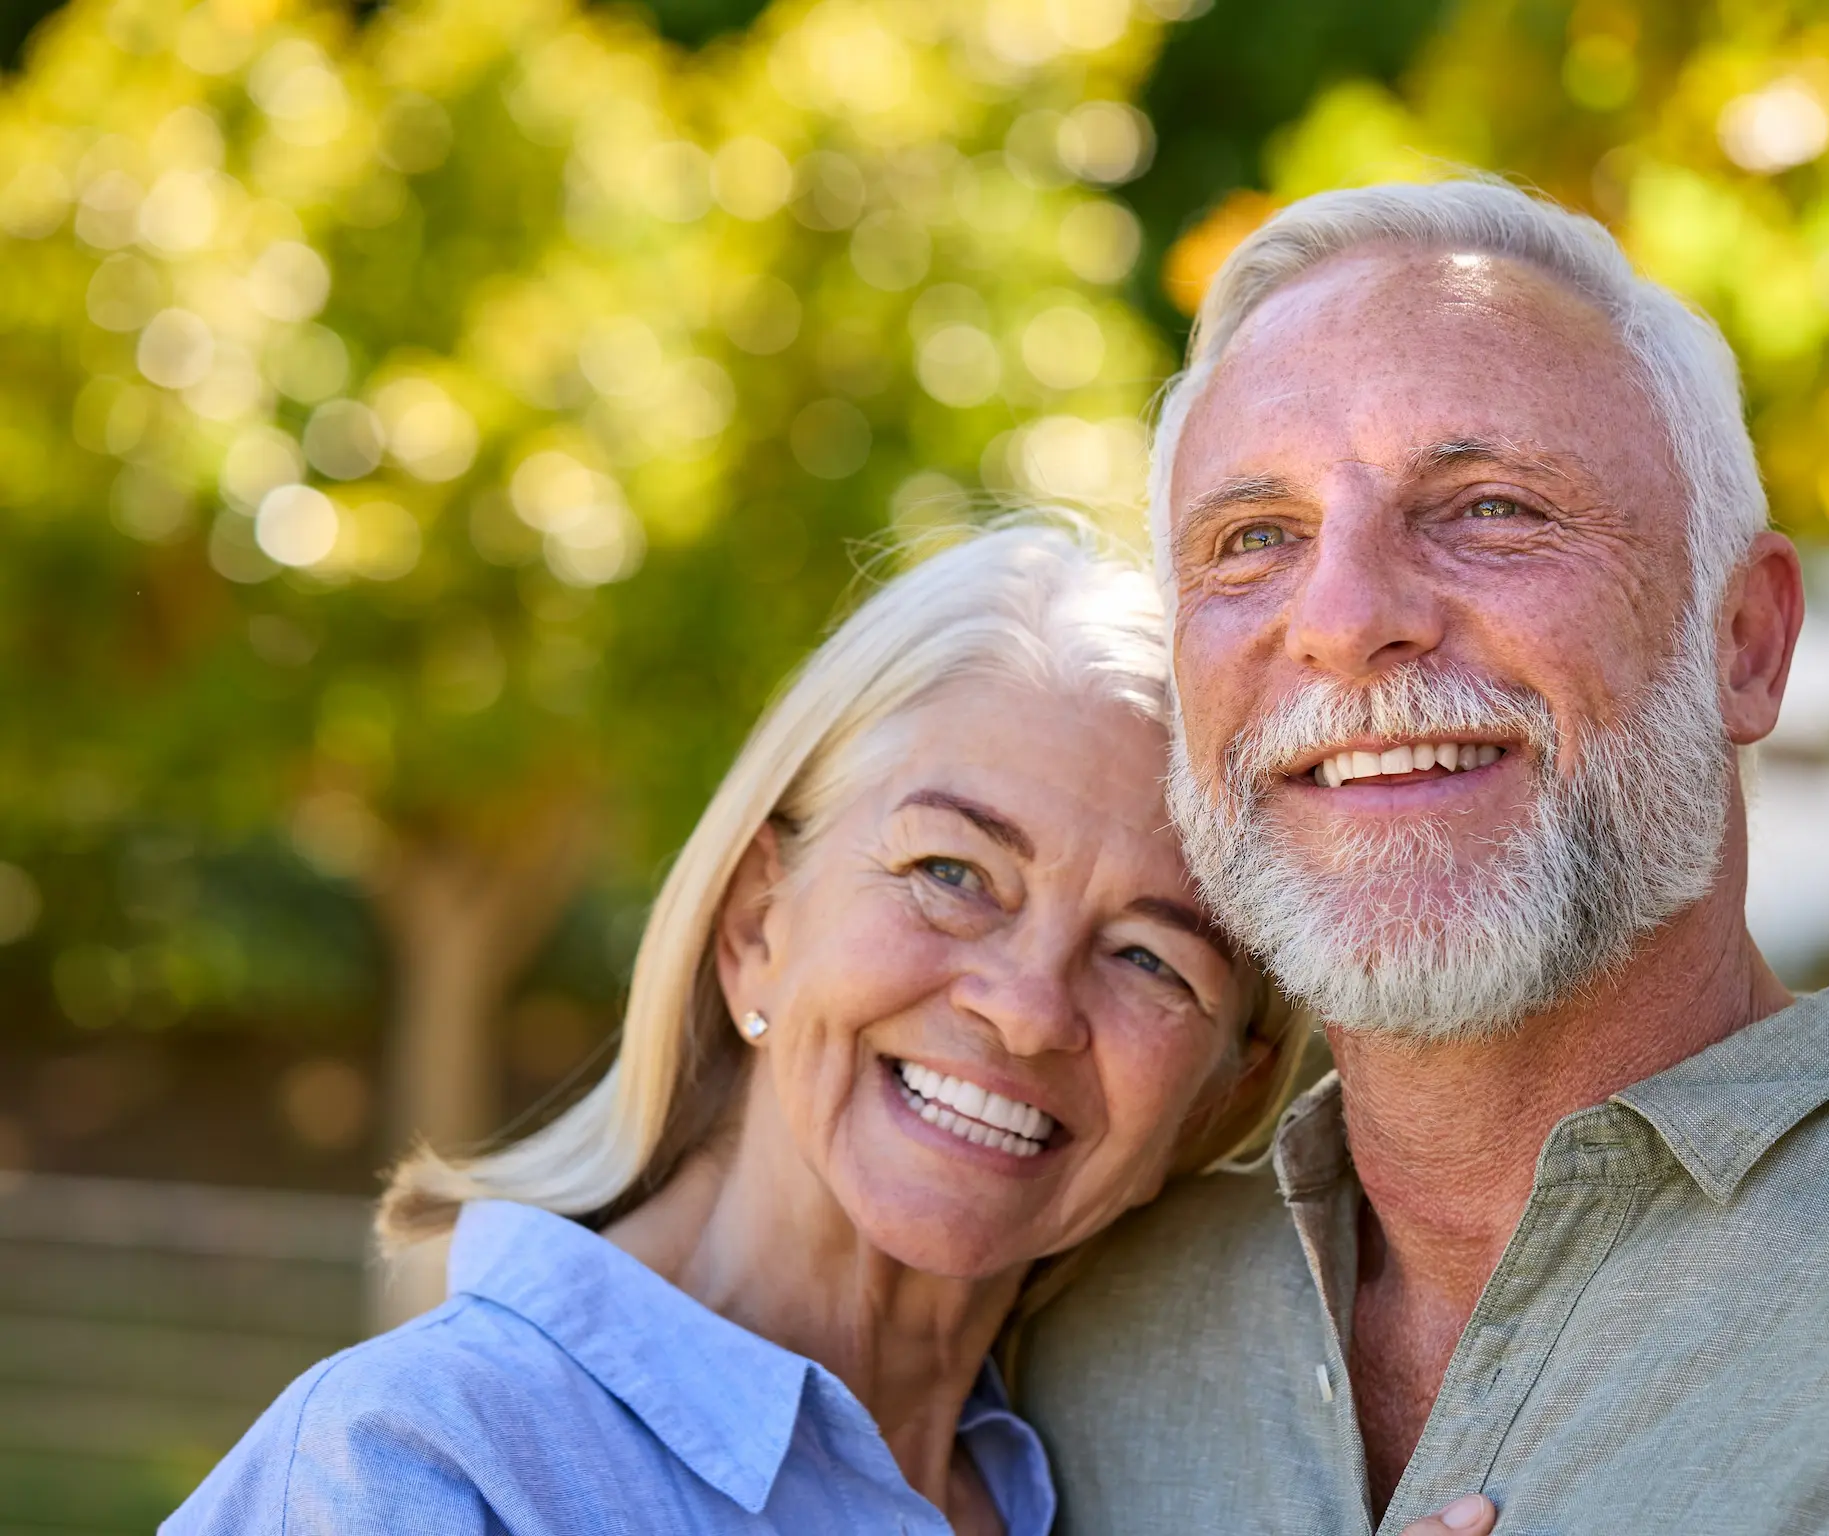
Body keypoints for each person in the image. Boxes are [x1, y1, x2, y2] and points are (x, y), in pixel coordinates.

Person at [1008, 178, 1829, 1534]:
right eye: (1254, 540)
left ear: (1746, 642)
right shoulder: (1071, 1329)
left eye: (1490, 508)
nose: (1345, 619)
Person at [160, 521, 1497, 1536]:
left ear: (1212, 1100)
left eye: (1151, 959)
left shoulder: (1119, 1482)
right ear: (757, 918)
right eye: (951, 874)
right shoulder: (421, 1467)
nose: (1026, 1008)